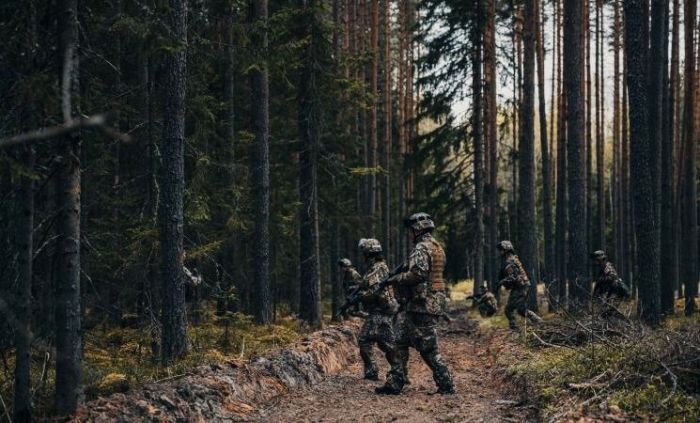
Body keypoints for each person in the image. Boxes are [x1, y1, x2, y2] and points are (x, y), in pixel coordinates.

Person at [375, 212, 455, 395]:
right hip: (426, 303)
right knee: (399, 340)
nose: (410, 234)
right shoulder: (437, 247)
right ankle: (395, 381)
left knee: (428, 348)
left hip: (423, 304)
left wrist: (397, 278)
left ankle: (446, 383)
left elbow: (418, 274)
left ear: (417, 229)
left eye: (411, 230)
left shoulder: (421, 248)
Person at [353, 238, 403, 382]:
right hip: (382, 310)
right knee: (384, 342)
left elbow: (375, 292)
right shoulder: (376, 268)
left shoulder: (377, 268)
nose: (363, 256)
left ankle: (380, 371)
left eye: (365, 253)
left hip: (381, 310)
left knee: (366, 339)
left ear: (369, 254)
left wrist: (361, 297)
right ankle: (398, 370)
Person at [497, 241, 542, 330]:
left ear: (506, 249)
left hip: (520, 287)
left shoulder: (510, 260)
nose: (500, 252)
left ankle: (515, 330)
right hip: (520, 286)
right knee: (521, 310)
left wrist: (502, 281)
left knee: (509, 310)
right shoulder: (512, 259)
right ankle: (539, 322)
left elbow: (514, 276)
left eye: (501, 250)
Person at [590, 250, 630, 316]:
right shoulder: (602, 270)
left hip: (615, 293)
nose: (595, 262)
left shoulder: (608, 268)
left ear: (601, 259)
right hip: (609, 295)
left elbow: (613, 280)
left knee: (608, 313)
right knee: (605, 313)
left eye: (596, 260)